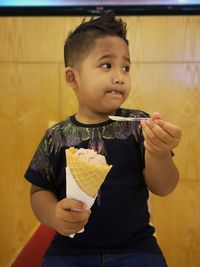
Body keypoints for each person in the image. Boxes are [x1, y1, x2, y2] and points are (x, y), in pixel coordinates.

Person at [25, 12, 182, 267]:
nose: (120, 76)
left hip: (136, 247)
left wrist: (158, 152)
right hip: (69, 250)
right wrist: (54, 216)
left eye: (126, 67)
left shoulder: (140, 126)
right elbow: (39, 190)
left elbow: (164, 187)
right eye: (107, 65)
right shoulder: (57, 135)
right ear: (72, 77)